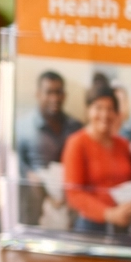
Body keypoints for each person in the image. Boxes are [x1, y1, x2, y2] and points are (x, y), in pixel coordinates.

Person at [62, 84, 131, 233]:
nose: (104, 114)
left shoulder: (123, 144)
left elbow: (130, 184)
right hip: (91, 226)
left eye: (110, 109)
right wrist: (109, 214)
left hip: (122, 224)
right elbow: (74, 194)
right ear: (88, 110)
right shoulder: (76, 143)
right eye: (98, 108)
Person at [16, 70, 83, 225]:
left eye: (58, 92)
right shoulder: (23, 126)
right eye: (49, 92)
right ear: (38, 94)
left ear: (64, 95)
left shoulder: (75, 127)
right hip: (37, 196)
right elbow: (18, 163)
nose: (54, 98)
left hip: (69, 195)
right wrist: (32, 177)